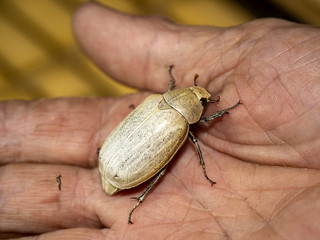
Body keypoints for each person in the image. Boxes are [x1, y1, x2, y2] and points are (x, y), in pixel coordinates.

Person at [1, 2, 319, 239]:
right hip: (118, 164)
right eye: (200, 96)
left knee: (163, 167)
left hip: (119, 163)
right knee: (163, 168)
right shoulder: (181, 123)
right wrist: (220, 109)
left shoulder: (159, 102)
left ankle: (139, 198)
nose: (201, 96)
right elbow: (201, 124)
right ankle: (138, 198)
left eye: (201, 97)